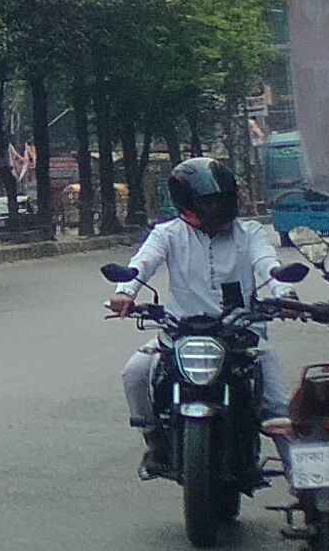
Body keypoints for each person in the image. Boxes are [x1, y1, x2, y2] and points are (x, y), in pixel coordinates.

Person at [117, 154, 291, 480]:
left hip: (241, 336)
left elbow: (268, 265)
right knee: (135, 373)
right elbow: (143, 262)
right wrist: (126, 291)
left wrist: (284, 294)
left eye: (224, 200)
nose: (220, 208)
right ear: (188, 204)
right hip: (179, 334)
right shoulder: (167, 234)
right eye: (211, 202)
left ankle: (307, 489)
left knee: (279, 408)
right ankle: (155, 441)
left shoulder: (249, 233)